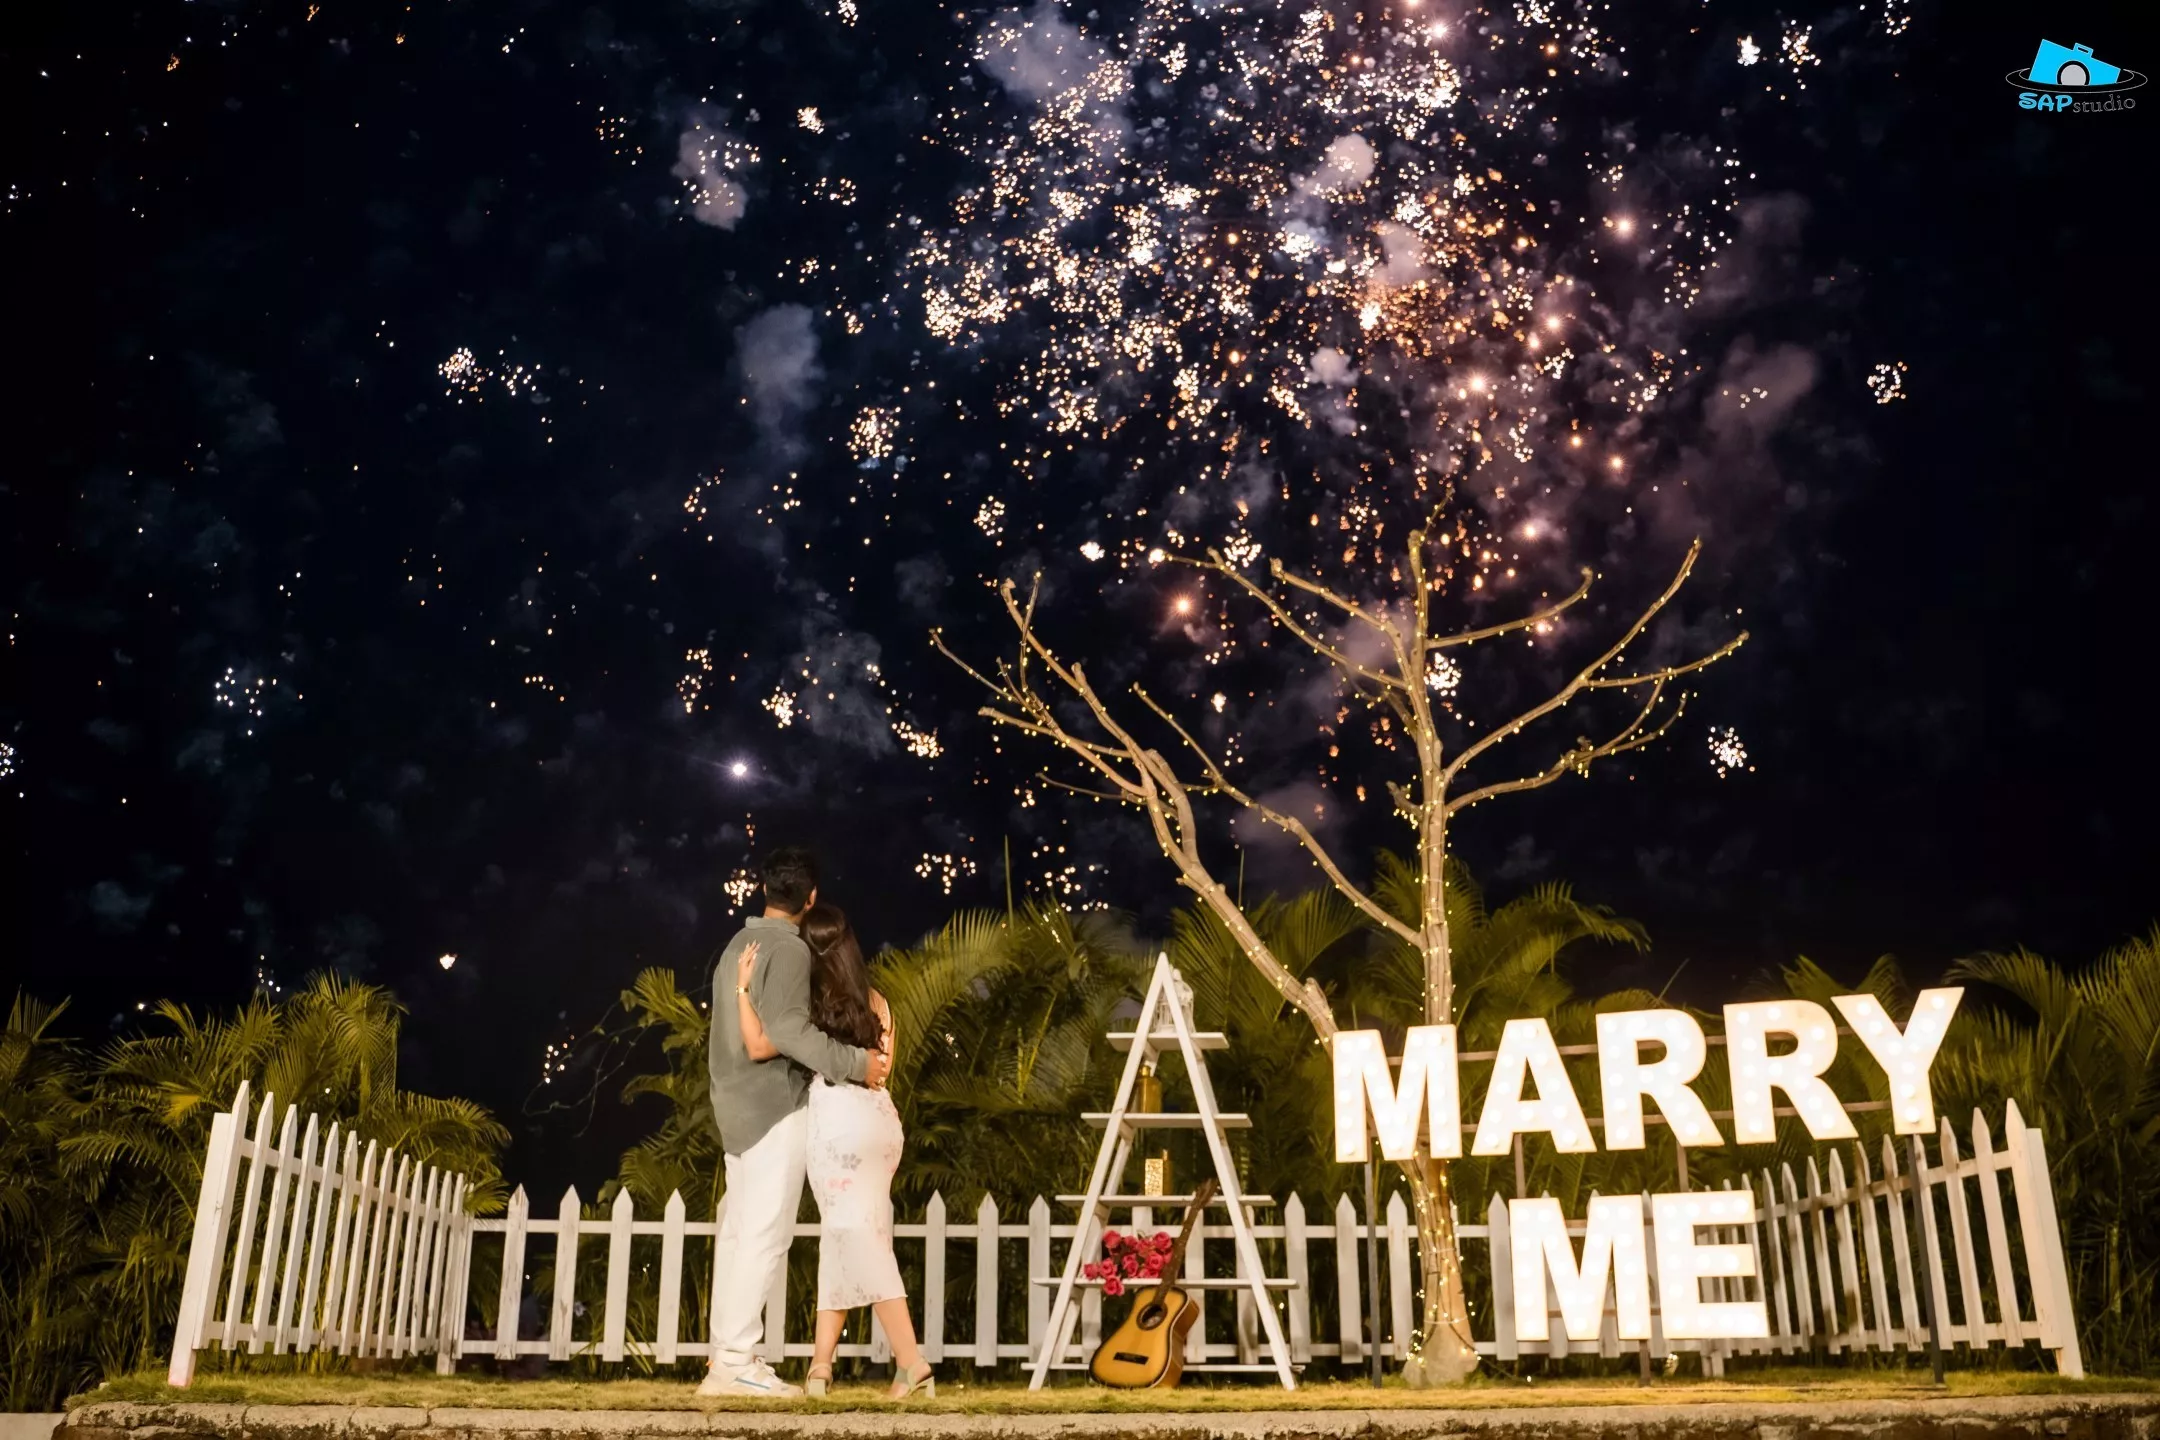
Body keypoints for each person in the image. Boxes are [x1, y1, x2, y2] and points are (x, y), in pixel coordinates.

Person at [698, 847, 892, 1398]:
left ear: (765, 890)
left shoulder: (737, 946)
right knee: (764, 1235)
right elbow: (786, 1032)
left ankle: (725, 1359)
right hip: (772, 1110)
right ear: (810, 898)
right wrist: (856, 1063)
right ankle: (737, 1361)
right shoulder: (788, 949)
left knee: (739, 1234)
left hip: (734, 1106)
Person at [735, 904, 933, 1400]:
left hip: (838, 1129)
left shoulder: (809, 1005)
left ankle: (911, 1361)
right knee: (846, 1237)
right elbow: (883, 1069)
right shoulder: (877, 1000)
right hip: (881, 1124)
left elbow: (758, 1045)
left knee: (861, 1240)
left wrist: (743, 989)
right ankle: (820, 1365)